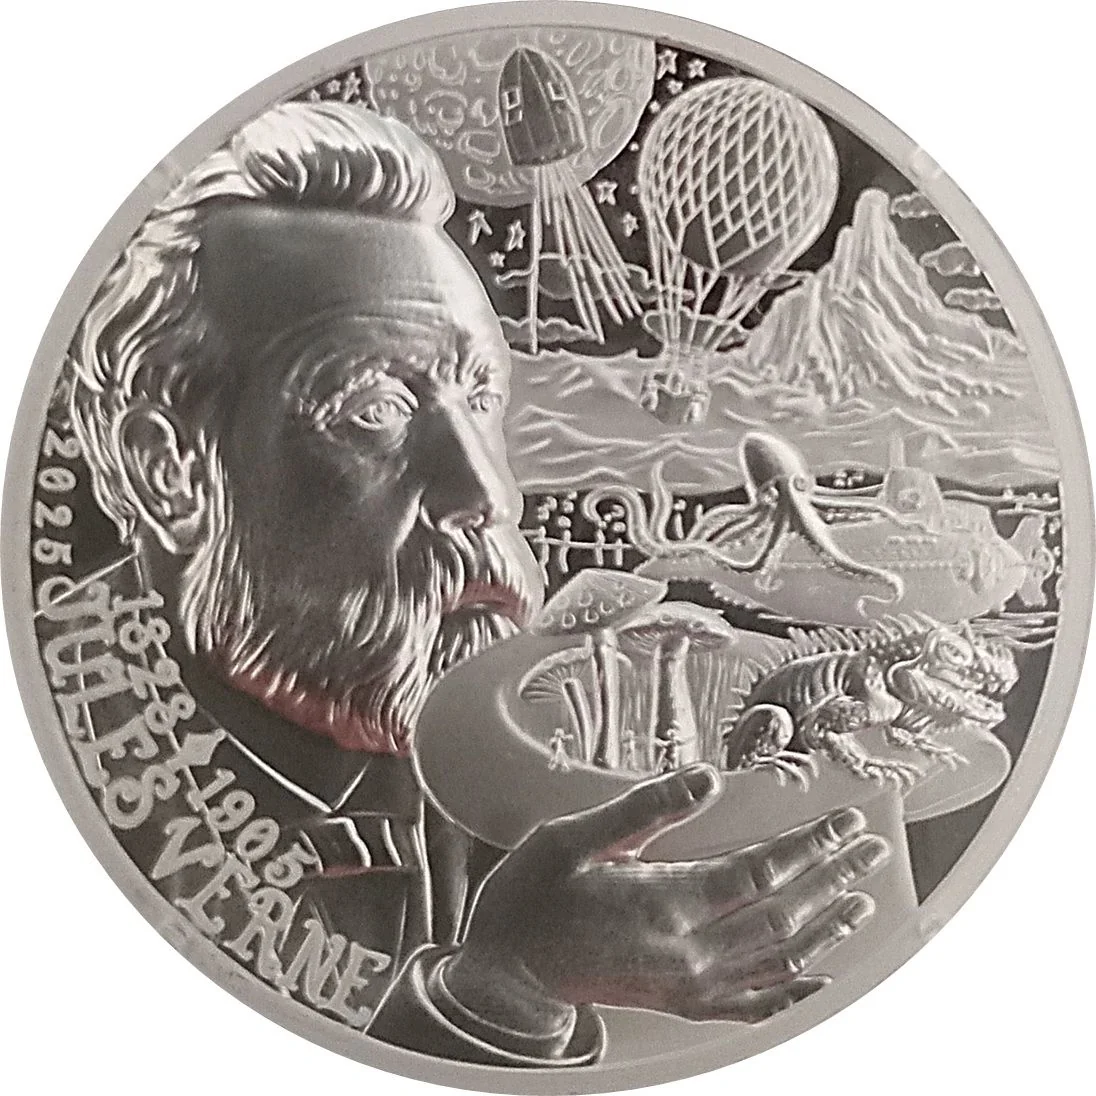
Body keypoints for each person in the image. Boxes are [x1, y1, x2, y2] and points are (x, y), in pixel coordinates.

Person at [67, 100, 889, 1065]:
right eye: (374, 409)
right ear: (167, 471)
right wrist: (503, 997)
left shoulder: (510, 735)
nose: (488, 495)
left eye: (481, 396)